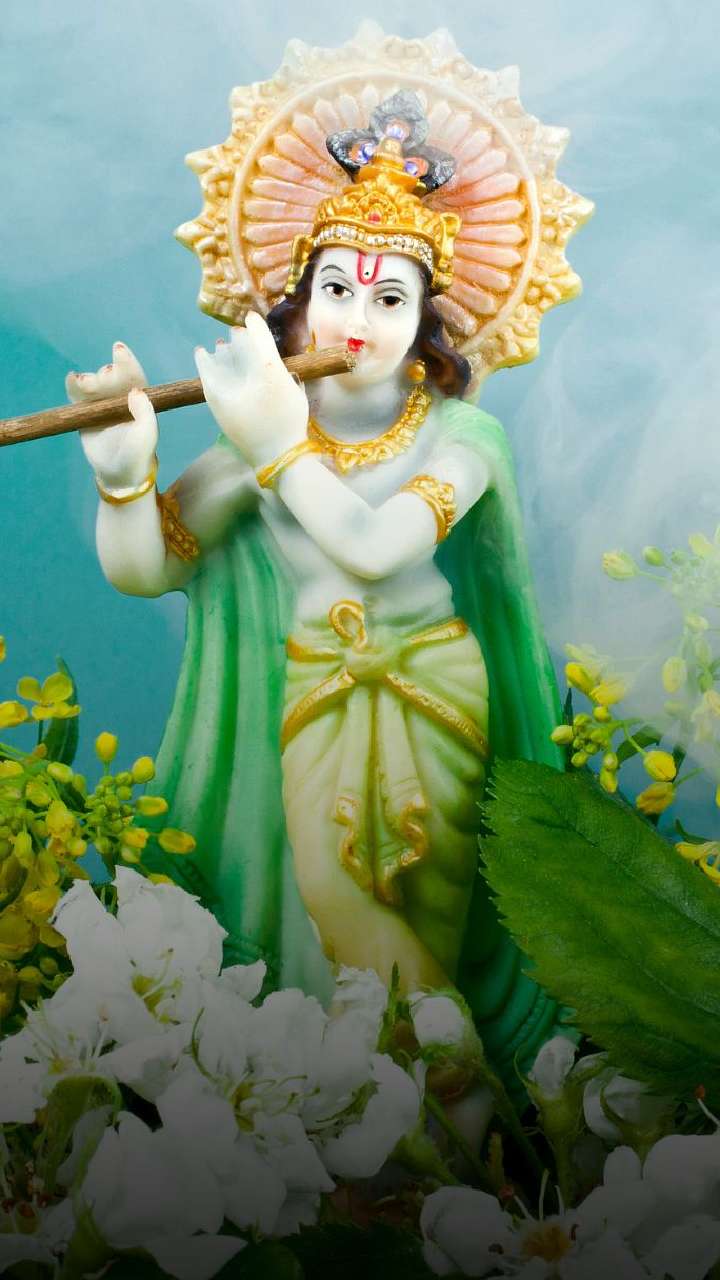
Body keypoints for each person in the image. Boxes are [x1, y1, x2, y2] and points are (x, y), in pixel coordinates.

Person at [70, 85, 580, 1096]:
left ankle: (448, 1121)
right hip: (317, 694)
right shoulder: (258, 444)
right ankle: (417, 1113)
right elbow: (149, 568)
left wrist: (276, 446)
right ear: (297, 306)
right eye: (338, 289)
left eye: (390, 300)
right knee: (336, 915)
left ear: (426, 322)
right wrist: (124, 477)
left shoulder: (460, 440)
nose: (358, 318)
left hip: (436, 695)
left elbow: (378, 547)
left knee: (420, 917)